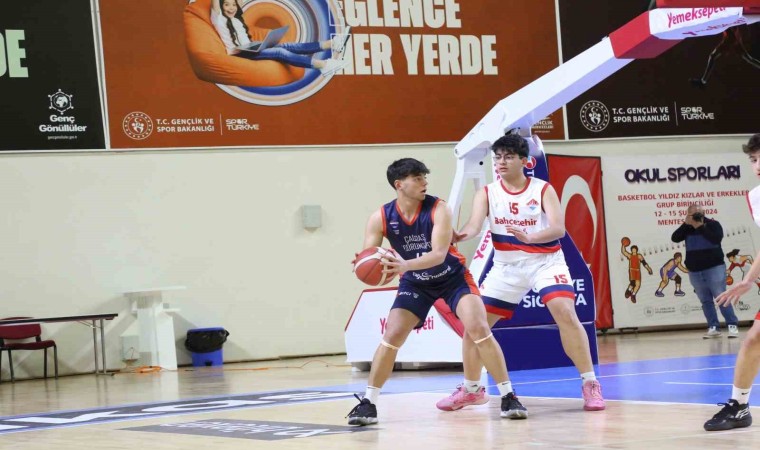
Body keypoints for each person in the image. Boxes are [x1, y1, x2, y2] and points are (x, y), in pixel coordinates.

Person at [346, 158, 527, 426]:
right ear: (399, 184)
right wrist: (365, 263)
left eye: (424, 177)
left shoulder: (439, 208)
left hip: (452, 277)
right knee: (392, 335)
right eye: (417, 178)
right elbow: (371, 255)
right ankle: (368, 403)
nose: (424, 182)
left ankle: (508, 396)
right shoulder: (380, 217)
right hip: (416, 283)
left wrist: (403, 265)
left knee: (478, 328)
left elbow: (439, 254)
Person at [437, 134, 605, 413]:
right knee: (475, 325)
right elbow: (474, 226)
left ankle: (590, 383)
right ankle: (472, 389)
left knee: (565, 312)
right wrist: (458, 235)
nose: (501, 162)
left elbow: (558, 229)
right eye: (498, 157)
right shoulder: (487, 193)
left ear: (525, 161)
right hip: (506, 267)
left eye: (508, 157)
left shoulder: (542, 189)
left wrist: (530, 238)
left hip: (545, 262)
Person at [704, 133, 760, 431]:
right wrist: (748, 280)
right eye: (753, 160)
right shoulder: (756, 197)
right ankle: (739, 407)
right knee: (754, 339)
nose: (757, 165)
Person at [212, 0, 350, 77]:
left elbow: (239, 3)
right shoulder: (218, 19)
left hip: (250, 48)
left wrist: (257, 45)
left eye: (233, 4)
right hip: (239, 54)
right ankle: (323, 66)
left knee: (287, 45)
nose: (231, 8)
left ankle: (331, 44)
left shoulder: (236, 19)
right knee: (280, 52)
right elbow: (215, 5)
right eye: (226, 4)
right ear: (221, 6)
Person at [671, 204, 739, 339]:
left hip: (714, 267)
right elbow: (675, 238)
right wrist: (685, 224)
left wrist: (700, 226)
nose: (697, 216)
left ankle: (732, 325)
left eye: (699, 213)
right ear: (688, 215)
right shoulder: (687, 228)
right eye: (693, 214)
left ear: (704, 213)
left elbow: (716, 239)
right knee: (705, 300)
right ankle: (713, 327)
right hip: (695, 270)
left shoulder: (713, 224)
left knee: (721, 297)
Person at [689, 25, 760, 88]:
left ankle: (703, 81)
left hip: (731, 37)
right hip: (733, 36)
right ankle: (703, 81)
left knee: (712, 56)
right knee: (748, 58)